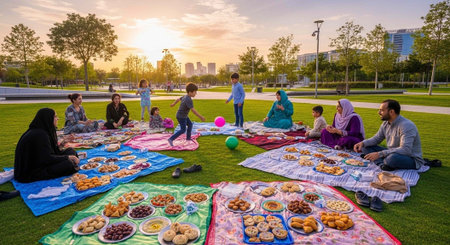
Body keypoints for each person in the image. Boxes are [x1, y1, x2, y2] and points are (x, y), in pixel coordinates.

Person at [354, 99, 425, 171]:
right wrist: (362, 143)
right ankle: (382, 164)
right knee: (364, 147)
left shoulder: (406, 125)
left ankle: (383, 162)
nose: (379, 112)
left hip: (409, 158)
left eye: (382, 110)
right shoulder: (386, 124)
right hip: (391, 152)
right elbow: (377, 139)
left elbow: (405, 150)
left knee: (392, 159)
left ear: (391, 112)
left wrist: (380, 154)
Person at [14, 108, 80, 183]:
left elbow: (49, 151)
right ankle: (71, 164)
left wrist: (63, 143)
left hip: (42, 162)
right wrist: (68, 157)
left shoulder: (43, 130)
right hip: (32, 171)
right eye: (55, 117)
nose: (57, 119)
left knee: (70, 150)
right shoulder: (39, 135)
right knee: (68, 164)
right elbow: (47, 158)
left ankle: (71, 163)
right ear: (48, 118)